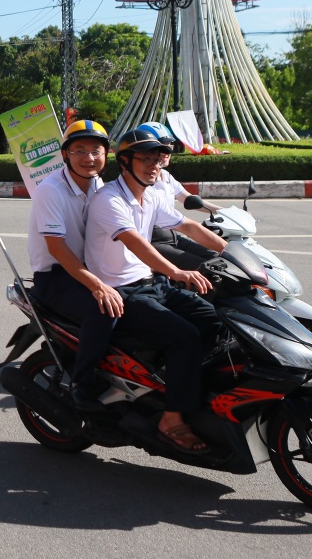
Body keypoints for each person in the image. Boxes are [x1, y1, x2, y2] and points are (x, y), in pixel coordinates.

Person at [84, 129, 229, 453]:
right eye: (145, 159)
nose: (153, 166)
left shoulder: (150, 196)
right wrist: (177, 271)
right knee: (185, 336)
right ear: (125, 162)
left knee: (216, 321)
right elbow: (136, 244)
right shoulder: (109, 199)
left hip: (152, 285)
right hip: (122, 292)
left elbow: (189, 226)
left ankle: (184, 386)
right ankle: (171, 418)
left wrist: (234, 253)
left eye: (157, 159)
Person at [27, 120, 122, 409]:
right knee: (103, 309)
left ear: (107, 154)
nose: (89, 158)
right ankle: (82, 384)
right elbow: (57, 247)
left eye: (96, 150)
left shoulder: (99, 185)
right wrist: (98, 286)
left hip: (89, 267)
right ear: (65, 155)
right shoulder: (50, 190)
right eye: (79, 150)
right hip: (55, 276)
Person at [138, 123, 223, 216]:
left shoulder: (165, 176)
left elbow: (187, 198)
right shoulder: (141, 182)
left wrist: (225, 211)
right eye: (162, 148)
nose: (167, 152)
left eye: (169, 146)